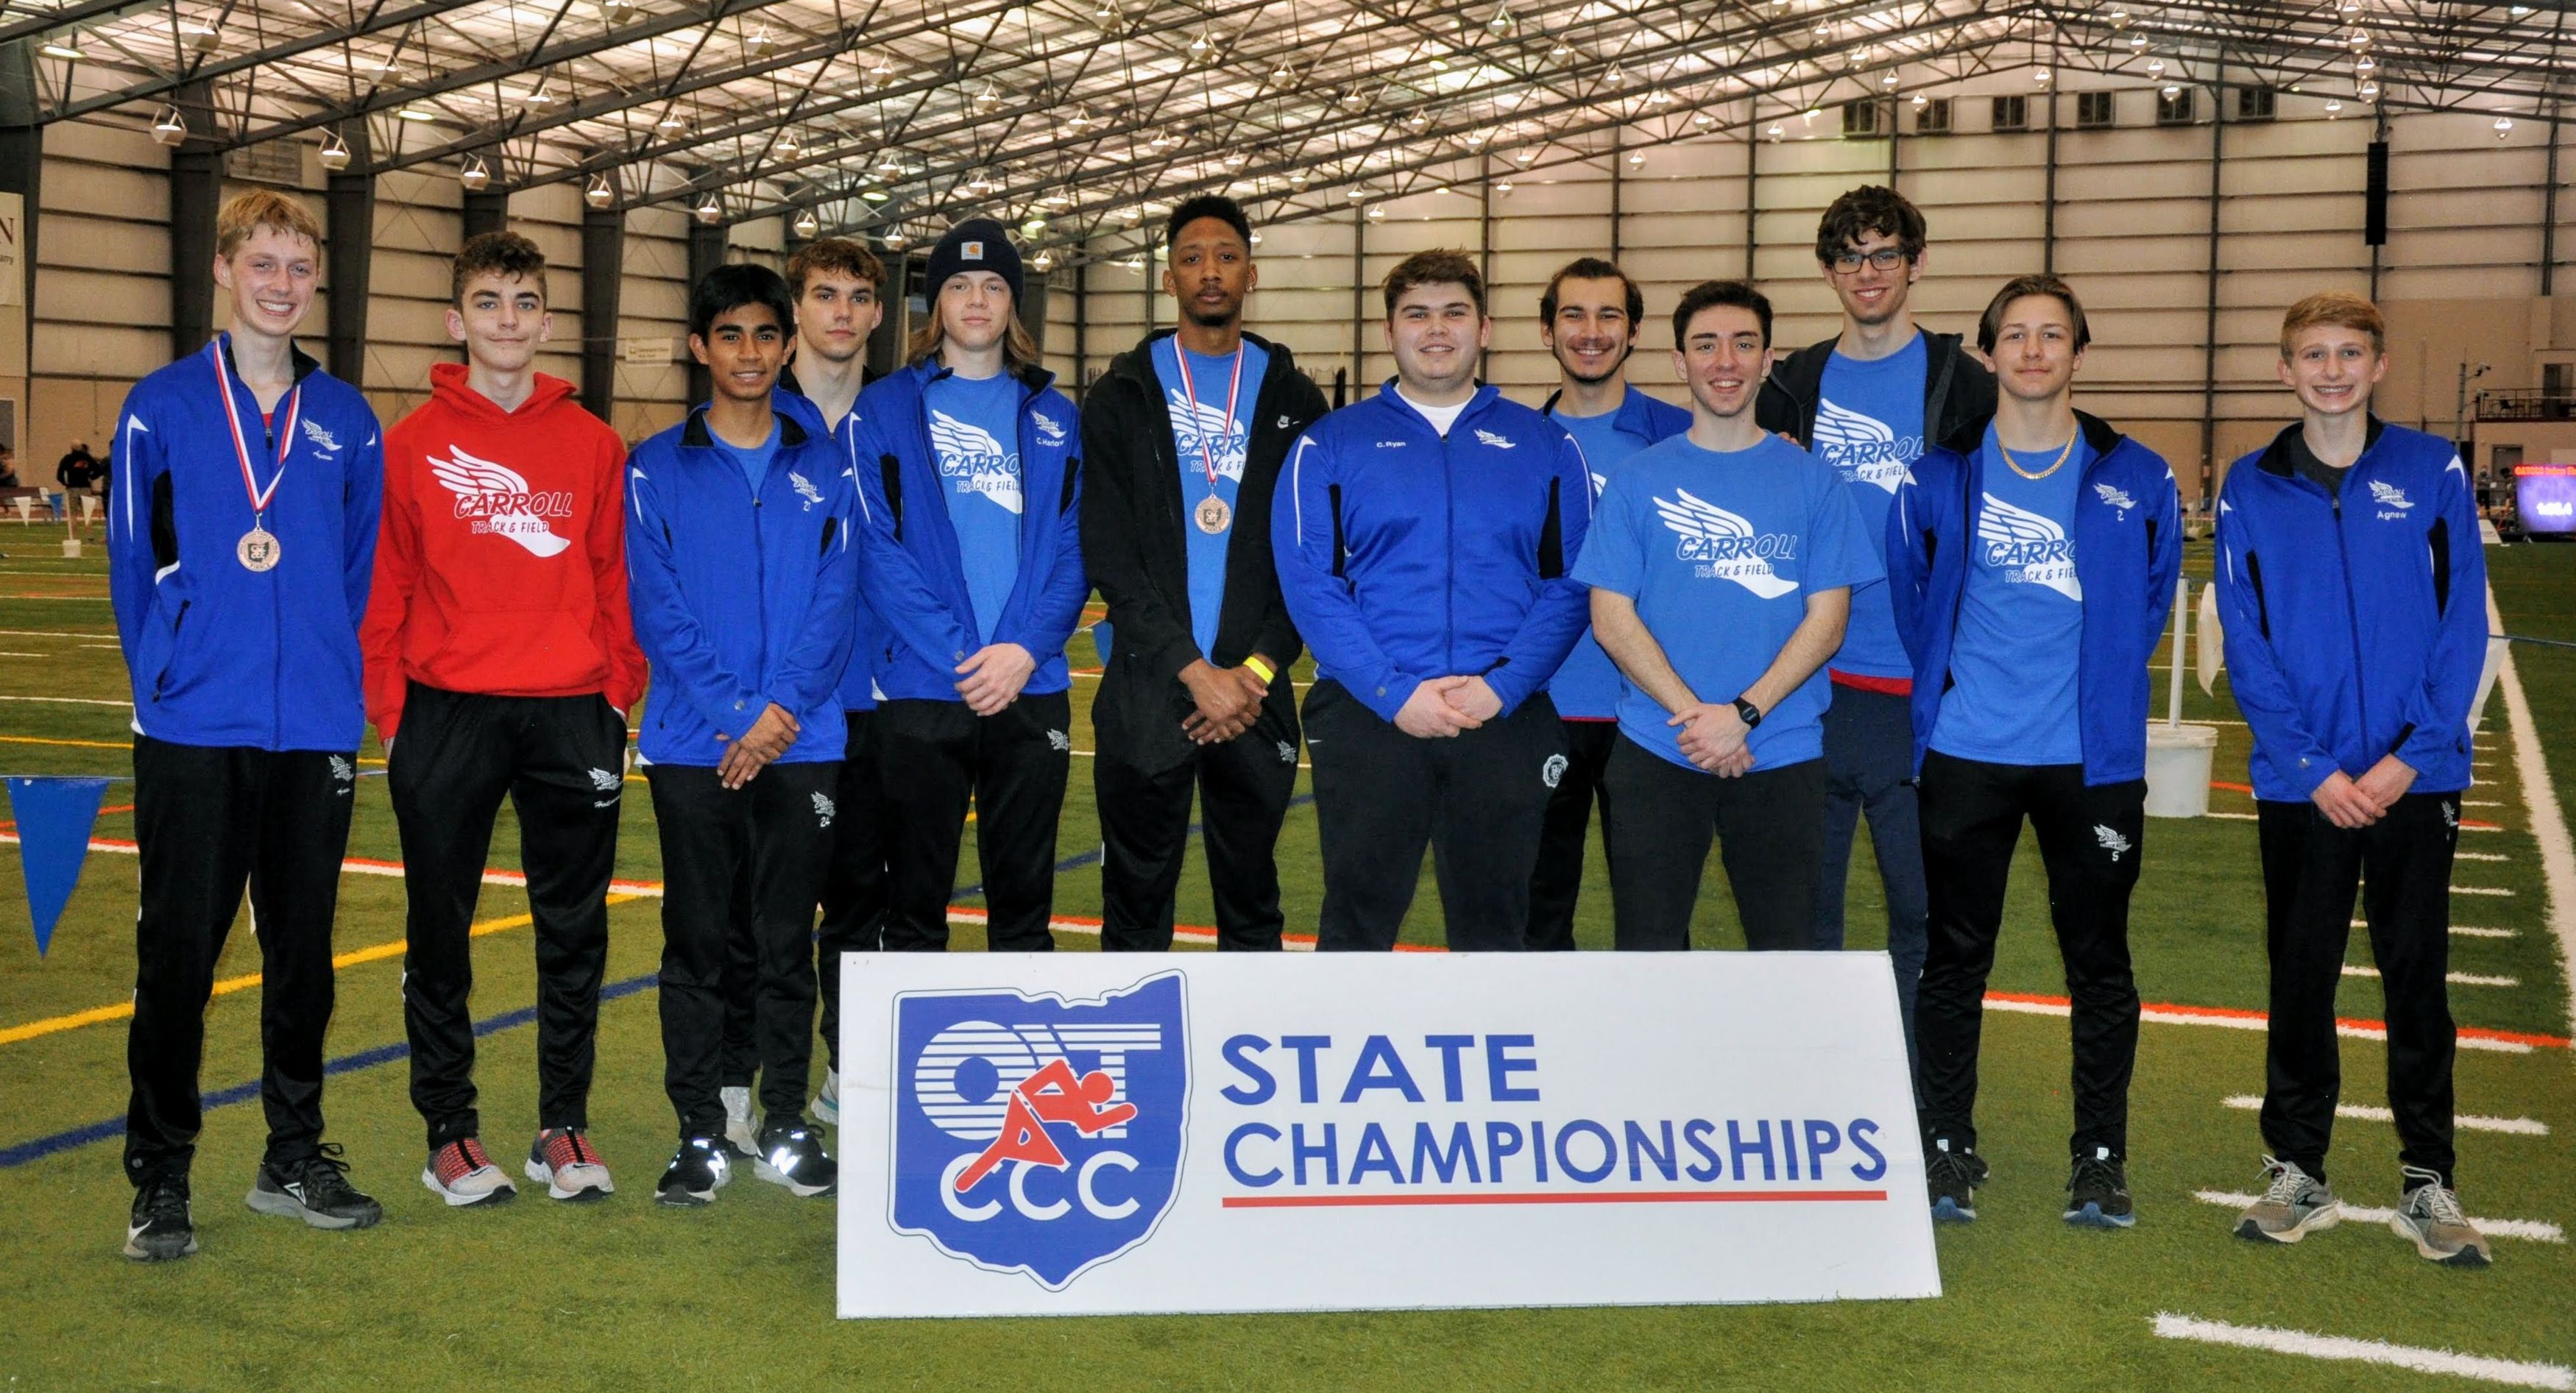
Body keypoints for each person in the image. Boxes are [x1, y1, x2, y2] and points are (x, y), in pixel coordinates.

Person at [105, 189, 387, 1260]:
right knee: (178, 955)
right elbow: (134, 560)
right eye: (261, 263)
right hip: (192, 725)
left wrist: (324, 672)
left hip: (313, 726)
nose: (280, 284)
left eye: (298, 267)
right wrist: (165, 675)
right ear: (224, 270)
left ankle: (292, 1154)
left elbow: (355, 571)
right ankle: (161, 1175)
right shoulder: (160, 406)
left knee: (304, 959)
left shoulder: (348, 418)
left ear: (314, 281)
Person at [1889, 273, 2179, 1230]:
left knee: (2099, 964)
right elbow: (1911, 592)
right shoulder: (1937, 478)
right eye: (2014, 335)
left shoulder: (2136, 474)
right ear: (1987, 354)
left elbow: (2150, 597)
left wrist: (2093, 693)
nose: (2033, 351)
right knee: (1953, 960)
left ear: (2079, 354)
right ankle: (1944, 1147)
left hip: (2088, 763)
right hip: (1968, 753)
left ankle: (2100, 1158)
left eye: (2053, 335)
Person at [363, 230, 643, 1208]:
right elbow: (385, 587)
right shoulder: (408, 446)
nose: (508, 321)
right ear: (456, 322)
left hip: (572, 712)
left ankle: (561, 1124)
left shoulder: (594, 443)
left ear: (549, 321)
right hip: (448, 714)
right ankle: (448, 1129)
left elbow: (615, 575)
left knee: (573, 932)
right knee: (439, 930)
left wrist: (618, 692)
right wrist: (394, 714)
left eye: (525, 303)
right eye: (489, 303)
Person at [2216, 292, 2492, 1266]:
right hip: (2304, 786)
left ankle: (2428, 1179)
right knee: (2300, 978)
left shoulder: (2432, 471)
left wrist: (2410, 755)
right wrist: (2312, 765)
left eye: (2349, 353)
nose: (2330, 370)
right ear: (2284, 370)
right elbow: (2244, 643)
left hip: (2416, 779)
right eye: (2311, 355)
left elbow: (2464, 625)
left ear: (2378, 366)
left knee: (2417, 979)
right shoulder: (2249, 486)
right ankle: (2298, 1168)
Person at [1273, 249, 1590, 951]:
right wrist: (1393, 691)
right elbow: (1310, 584)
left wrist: (1500, 686)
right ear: (1390, 331)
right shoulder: (1329, 444)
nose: (1436, 329)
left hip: (1500, 720)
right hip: (1370, 716)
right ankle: (1348, 1056)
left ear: (1485, 327)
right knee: (1356, 923)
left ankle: (1492, 1061)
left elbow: (1570, 584)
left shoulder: (1547, 445)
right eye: (1417, 314)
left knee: (1498, 930)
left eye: (1454, 313)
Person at [626, 263, 856, 1205]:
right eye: (730, 336)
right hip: (692, 742)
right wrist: (736, 715)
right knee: (697, 939)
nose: (750, 353)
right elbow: (657, 605)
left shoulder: (827, 462)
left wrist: (779, 715)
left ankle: (787, 1118)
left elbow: (840, 597)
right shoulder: (654, 465)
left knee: (782, 940)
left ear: (786, 345)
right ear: (699, 349)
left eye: (766, 335)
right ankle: (700, 1126)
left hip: (803, 741)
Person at [1755, 186, 1996, 1051]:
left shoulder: (1965, 384)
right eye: (1850, 257)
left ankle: (1910, 1074)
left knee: (1918, 908)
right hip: (1807, 687)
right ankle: (1811, 1063)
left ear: (1915, 264)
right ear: (1827, 271)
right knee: (1803, 900)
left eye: (1884, 254)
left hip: (1918, 690)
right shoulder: (1790, 384)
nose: (1867, 272)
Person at [1578, 280, 1877, 950]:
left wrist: (1742, 715)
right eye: (1705, 346)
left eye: (1744, 345)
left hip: (1780, 751)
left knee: (1784, 957)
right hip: (1660, 748)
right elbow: (1611, 618)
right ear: (1680, 362)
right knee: (1648, 958)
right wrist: (1699, 719)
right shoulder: (1638, 479)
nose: (1725, 362)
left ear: (1768, 359)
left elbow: (1827, 621)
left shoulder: (1814, 480)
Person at [1080, 195, 1326, 952]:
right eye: (1191, 257)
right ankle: (1132, 1060)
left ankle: (1244, 1063)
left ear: (1250, 273)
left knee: (1252, 904)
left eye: (1225, 256)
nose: (1209, 271)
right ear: (1167, 276)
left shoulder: (1295, 399)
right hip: (1149, 685)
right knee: (1134, 900)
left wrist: (1250, 672)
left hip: (1253, 695)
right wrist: (1193, 670)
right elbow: (1109, 551)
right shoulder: (1121, 394)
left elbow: (1309, 556)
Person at [853, 220, 1086, 954]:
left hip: (1030, 683)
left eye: (992, 287)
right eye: (958, 285)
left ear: (1013, 303)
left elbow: (1078, 548)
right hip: (925, 688)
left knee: (1024, 910)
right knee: (913, 907)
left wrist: (1023, 648)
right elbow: (875, 550)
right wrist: (963, 655)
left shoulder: (1053, 414)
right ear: (934, 305)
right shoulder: (882, 409)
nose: (976, 300)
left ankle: (1032, 1067)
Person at [729, 235, 889, 1141]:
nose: (839, 311)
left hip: (879, 704)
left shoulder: (905, 416)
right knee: (762, 915)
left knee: (862, 906)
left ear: (875, 314)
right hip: (776, 715)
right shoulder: (749, 413)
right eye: (821, 293)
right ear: (795, 314)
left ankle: (847, 1077)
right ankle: (745, 1083)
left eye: (856, 296)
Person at [1524, 257, 1691, 951]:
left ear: (1635, 332)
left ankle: (1658, 1059)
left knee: (1655, 927)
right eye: (1573, 314)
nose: (1590, 332)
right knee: (1537, 918)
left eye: (1609, 315)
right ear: (1545, 331)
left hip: (1651, 714)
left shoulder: (1687, 436)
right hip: (1543, 710)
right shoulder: (1514, 442)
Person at [57, 439, 98, 531]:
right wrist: (91, 477)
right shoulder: (87, 458)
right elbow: (98, 470)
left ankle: (74, 535)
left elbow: (60, 473)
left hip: (72, 487)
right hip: (85, 487)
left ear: (71, 448)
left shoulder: (67, 458)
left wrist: (65, 482)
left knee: (73, 513)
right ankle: (89, 534)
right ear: (81, 447)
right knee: (87, 511)